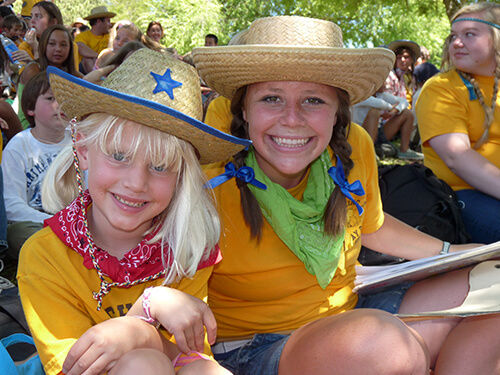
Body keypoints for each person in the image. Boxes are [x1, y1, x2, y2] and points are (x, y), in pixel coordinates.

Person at [190, 15, 500, 374]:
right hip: (256, 345)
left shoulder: (354, 145)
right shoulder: (210, 177)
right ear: (243, 108)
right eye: (271, 98)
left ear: (338, 111)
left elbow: (373, 225)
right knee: (386, 349)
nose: (292, 119)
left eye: (313, 100)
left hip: (349, 312)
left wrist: (458, 252)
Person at [17, 48, 249, 375]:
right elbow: (78, 366)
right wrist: (145, 317)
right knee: (143, 364)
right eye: (119, 156)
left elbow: (193, 359)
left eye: (159, 166)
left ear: (181, 178)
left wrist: (138, 330)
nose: (136, 183)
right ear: (83, 152)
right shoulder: (43, 257)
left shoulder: (187, 247)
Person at [417, 2, 500, 244]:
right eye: (453, 36)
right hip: (458, 195)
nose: (456, 43)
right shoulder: (441, 88)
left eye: (469, 34)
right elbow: (457, 157)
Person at [3, 71, 69, 261]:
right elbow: (12, 204)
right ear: (30, 108)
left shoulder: (79, 140)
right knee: (16, 234)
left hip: (78, 222)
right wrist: (53, 222)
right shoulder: (19, 146)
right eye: (50, 98)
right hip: (39, 223)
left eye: (64, 98)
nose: (59, 104)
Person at [17, 25, 81, 129]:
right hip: (32, 125)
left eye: (64, 45)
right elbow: (33, 112)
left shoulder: (72, 74)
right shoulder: (33, 70)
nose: (58, 49)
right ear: (43, 46)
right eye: (52, 44)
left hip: (61, 123)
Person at [74, 5, 115, 74]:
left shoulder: (110, 36)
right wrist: (100, 57)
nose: (110, 24)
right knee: (87, 59)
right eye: (108, 21)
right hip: (83, 72)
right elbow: (80, 47)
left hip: (105, 67)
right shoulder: (83, 36)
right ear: (99, 21)